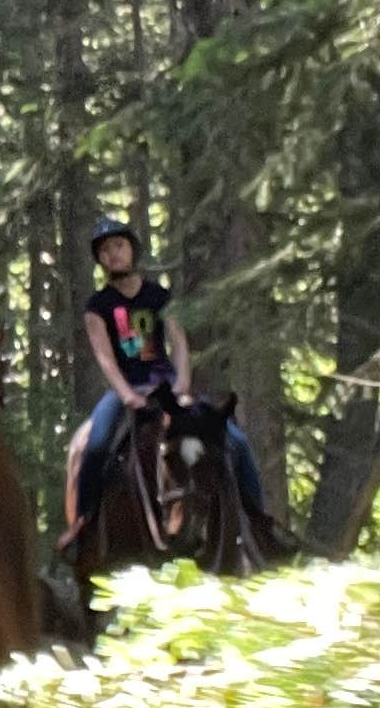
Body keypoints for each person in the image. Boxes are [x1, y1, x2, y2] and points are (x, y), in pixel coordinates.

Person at [69, 216, 269, 541]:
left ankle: (258, 523)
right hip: (128, 388)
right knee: (94, 447)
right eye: (105, 250)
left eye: (118, 245)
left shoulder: (159, 297)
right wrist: (127, 395)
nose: (113, 254)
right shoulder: (98, 306)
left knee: (235, 439)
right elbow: (105, 357)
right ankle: (82, 528)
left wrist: (181, 385)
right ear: (100, 260)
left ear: (132, 250)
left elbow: (178, 343)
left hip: (166, 385)